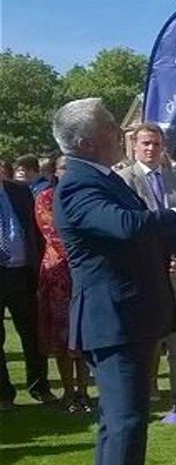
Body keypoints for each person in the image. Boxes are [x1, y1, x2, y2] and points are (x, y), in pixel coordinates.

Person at [52, 97, 176, 465]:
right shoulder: (79, 185)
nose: (118, 134)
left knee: (119, 426)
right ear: (88, 140)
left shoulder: (100, 180)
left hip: (128, 318)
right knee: (123, 426)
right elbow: (128, 227)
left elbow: (148, 233)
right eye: (109, 126)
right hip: (114, 321)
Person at [118, 123, 176, 419]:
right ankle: (138, 397)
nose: (151, 149)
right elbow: (126, 231)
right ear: (134, 146)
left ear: (164, 146)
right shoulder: (123, 181)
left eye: (156, 144)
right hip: (143, 275)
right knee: (143, 341)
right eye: (145, 144)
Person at [33, 155, 91, 412]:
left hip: (87, 274)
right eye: (63, 168)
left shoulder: (88, 195)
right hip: (59, 275)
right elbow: (52, 233)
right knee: (62, 336)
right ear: (55, 172)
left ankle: (84, 391)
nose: (68, 171)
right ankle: (68, 392)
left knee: (86, 335)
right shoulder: (46, 198)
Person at [1, 174, 57, 410]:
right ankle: (4, 394)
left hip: (24, 272)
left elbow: (36, 230)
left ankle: (40, 386)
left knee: (34, 333)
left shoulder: (20, 191)